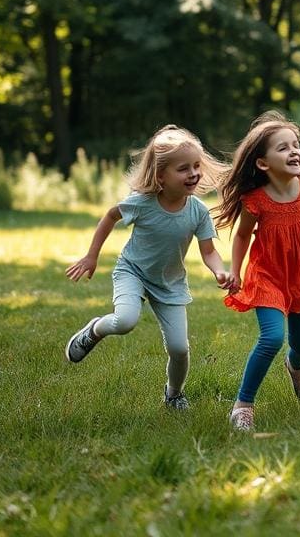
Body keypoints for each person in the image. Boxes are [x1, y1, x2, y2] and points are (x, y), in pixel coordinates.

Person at [64, 125, 233, 411]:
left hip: (169, 283)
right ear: (160, 177)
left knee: (179, 349)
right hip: (133, 272)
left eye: (195, 166)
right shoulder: (142, 203)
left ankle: (174, 394)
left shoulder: (198, 211)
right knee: (125, 321)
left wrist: (220, 270)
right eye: (183, 169)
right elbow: (109, 216)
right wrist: (92, 256)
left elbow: (209, 251)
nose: (193, 173)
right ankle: (94, 330)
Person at [215, 111, 300, 432]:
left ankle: (295, 366)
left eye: (295, 145)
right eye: (283, 148)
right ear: (263, 163)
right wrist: (236, 271)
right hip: (267, 277)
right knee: (272, 337)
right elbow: (243, 235)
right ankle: (243, 404)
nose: (294, 151)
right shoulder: (256, 200)